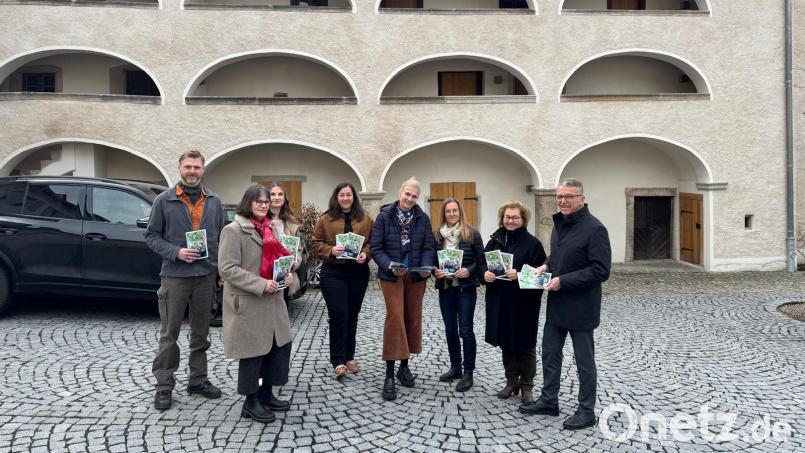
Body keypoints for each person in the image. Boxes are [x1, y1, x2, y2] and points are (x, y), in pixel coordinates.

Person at [519, 178, 611, 431]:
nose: (563, 201)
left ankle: (586, 410)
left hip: (582, 306)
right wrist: (546, 266)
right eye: (560, 196)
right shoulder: (560, 224)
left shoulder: (595, 229)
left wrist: (563, 281)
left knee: (584, 362)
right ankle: (549, 400)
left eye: (568, 196)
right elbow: (559, 255)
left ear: (582, 199)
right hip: (557, 304)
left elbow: (601, 270)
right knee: (549, 354)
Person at [145, 150, 225, 411]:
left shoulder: (214, 201)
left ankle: (198, 380)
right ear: (179, 168)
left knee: (201, 333)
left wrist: (220, 270)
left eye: (197, 167)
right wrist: (176, 252)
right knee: (170, 334)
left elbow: (220, 238)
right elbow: (152, 236)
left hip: (205, 277)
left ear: (203, 170)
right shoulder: (163, 201)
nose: (192, 172)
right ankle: (164, 385)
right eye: (188, 167)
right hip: (175, 277)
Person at [218, 184, 294, 423]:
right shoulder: (233, 230)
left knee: (274, 349)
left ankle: (266, 393)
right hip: (250, 302)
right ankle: (250, 402)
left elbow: (281, 260)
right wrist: (261, 284)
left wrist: (289, 275)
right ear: (248, 202)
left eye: (266, 201)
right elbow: (228, 269)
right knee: (253, 354)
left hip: (273, 301)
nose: (263, 205)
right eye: (259, 201)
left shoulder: (270, 228)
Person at [371, 177, 436, 401]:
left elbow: (429, 246)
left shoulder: (422, 218)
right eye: (407, 194)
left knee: (411, 318)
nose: (409, 199)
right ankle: (389, 374)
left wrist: (427, 267)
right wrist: (390, 265)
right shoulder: (384, 217)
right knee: (395, 317)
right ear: (400, 192)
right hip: (391, 275)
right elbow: (376, 248)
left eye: (414, 196)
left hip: (416, 275)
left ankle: (404, 366)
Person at [480, 200, 546, 405]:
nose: (510, 220)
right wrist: (485, 274)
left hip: (524, 303)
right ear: (502, 218)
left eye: (515, 217)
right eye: (507, 217)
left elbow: (542, 278)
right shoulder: (494, 240)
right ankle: (511, 382)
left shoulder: (533, 244)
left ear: (523, 219)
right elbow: (482, 264)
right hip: (500, 301)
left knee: (525, 344)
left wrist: (519, 274)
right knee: (506, 342)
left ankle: (527, 386)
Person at [310, 182, 373, 379]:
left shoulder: (365, 219)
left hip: (358, 273)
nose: (345, 198)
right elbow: (314, 243)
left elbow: (373, 243)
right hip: (333, 273)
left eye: (348, 195)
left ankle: (349, 356)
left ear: (353, 197)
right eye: (342, 195)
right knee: (339, 314)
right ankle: (338, 360)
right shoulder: (325, 219)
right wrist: (330, 250)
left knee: (352, 315)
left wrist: (365, 254)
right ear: (336, 197)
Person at [433, 198, 484, 392]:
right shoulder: (437, 235)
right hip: (446, 288)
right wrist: (435, 272)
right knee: (450, 330)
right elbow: (432, 261)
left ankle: (468, 372)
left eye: (455, 211)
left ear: (460, 212)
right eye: (448, 211)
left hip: (465, 288)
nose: (452, 214)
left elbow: (481, 261)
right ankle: (455, 367)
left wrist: (468, 271)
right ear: (444, 214)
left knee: (465, 330)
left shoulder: (471, 233)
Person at [264, 182, 303, 300]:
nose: (277, 197)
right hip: (266, 277)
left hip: (286, 277)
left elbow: (298, 250)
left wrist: (294, 264)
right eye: (273, 194)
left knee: (283, 314)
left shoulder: (291, 223)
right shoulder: (261, 222)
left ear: (284, 198)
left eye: (280, 194)